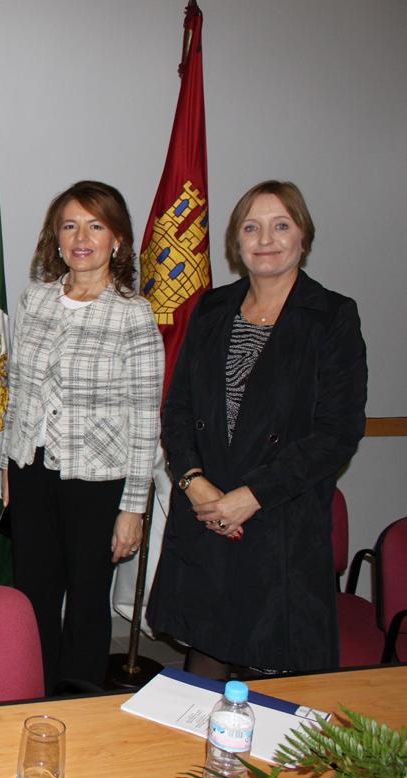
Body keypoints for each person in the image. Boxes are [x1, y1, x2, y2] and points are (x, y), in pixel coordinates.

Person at [147, 180, 367, 678]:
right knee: (201, 677)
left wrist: (252, 496)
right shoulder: (211, 309)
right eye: (252, 227)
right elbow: (178, 409)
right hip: (206, 516)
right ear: (236, 241)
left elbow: (337, 433)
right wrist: (193, 482)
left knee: (269, 698)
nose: (265, 238)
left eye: (280, 225)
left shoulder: (332, 317)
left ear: (303, 238)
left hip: (278, 527)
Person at [0, 180, 163, 693]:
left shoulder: (132, 312)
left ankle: (81, 704)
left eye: (95, 225)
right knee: (33, 597)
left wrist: (133, 507)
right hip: (32, 473)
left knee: (88, 602)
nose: (81, 237)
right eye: (70, 225)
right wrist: (9, 467)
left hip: (97, 482)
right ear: (56, 236)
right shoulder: (36, 300)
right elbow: (18, 392)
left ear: (117, 239)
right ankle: (35, 694)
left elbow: (145, 418)